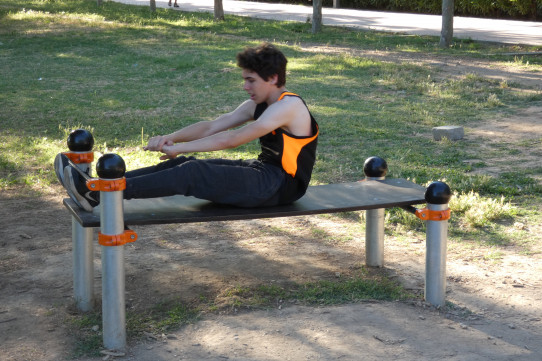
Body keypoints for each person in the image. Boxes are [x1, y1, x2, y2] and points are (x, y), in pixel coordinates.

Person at [57, 43, 319, 212]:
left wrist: (179, 148)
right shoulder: (260, 103)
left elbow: (233, 139)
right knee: (179, 166)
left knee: (193, 171)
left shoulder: (289, 106)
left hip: (280, 185)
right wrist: (170, 139)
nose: (245, 87)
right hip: (264, 174)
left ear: (273, 78)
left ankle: (99, 194)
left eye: (251, 80)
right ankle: (98, 187)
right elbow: (212, 127)